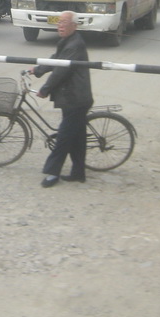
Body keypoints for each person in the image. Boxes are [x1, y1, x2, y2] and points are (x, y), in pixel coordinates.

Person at [33, 11, 93, 187]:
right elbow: (55, 61)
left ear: (74, 26)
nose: (60, 25)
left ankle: (52, 173)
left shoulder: (74, 45)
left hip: (76, 99)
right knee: (77, 138)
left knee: (64, 138)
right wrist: (37, 70)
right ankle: (78, 173)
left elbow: (61, 71)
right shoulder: (66, 42)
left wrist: (45, 89)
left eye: (64, 22)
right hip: (73, 97)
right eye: (58, 22)